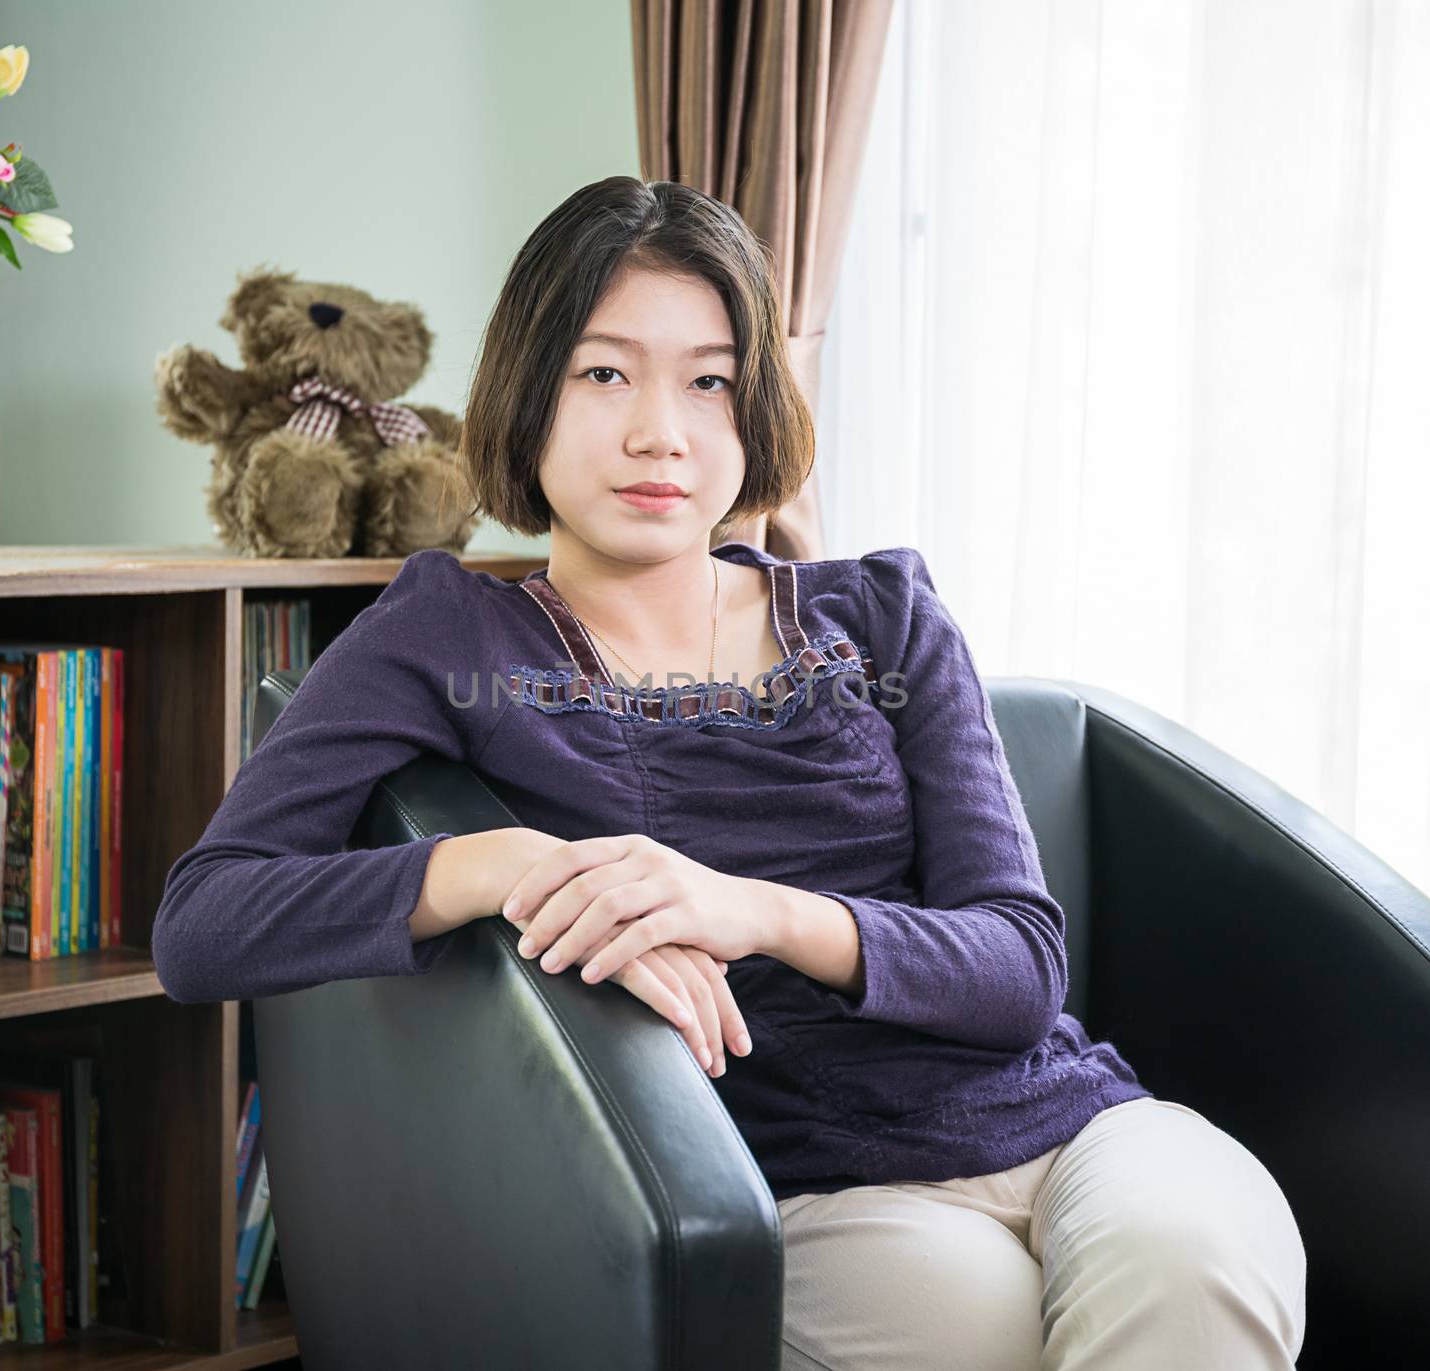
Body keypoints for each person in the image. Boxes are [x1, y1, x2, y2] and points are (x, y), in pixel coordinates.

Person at [152, 175, 1307, 1370]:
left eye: (709, 380)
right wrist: (504, 865)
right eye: (606, 373)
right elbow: (205, 924)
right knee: (980, 1333)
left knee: (1194, 1259)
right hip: (809, 1190)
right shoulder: (448, 636)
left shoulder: (883, 614)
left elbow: (1018, 967)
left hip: (1070, 1129)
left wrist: (746, 910)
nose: (664, 431)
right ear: (528, 393)